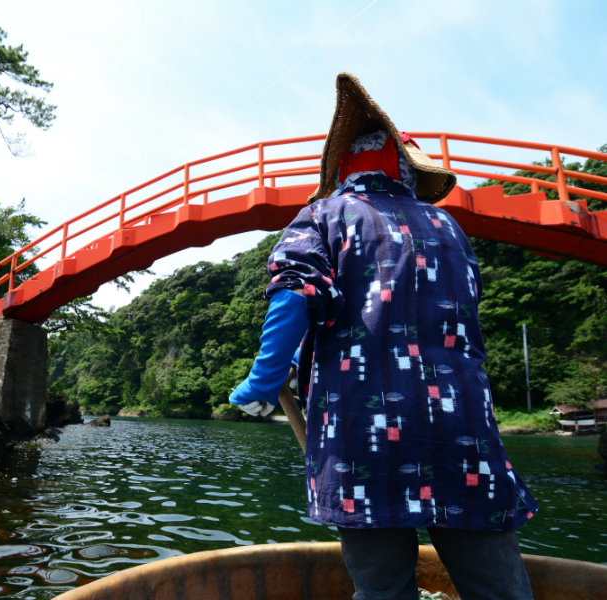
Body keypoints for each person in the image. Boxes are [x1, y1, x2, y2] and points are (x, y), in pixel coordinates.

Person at [230, 73, 538, 600]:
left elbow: (296, 294)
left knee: (381, 590)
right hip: (462, 426)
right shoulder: (449, 229)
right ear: (404, 172)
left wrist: (261, 383)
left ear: (344, 170)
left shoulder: (323, 215)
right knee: (498, 588)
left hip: (363, 434)